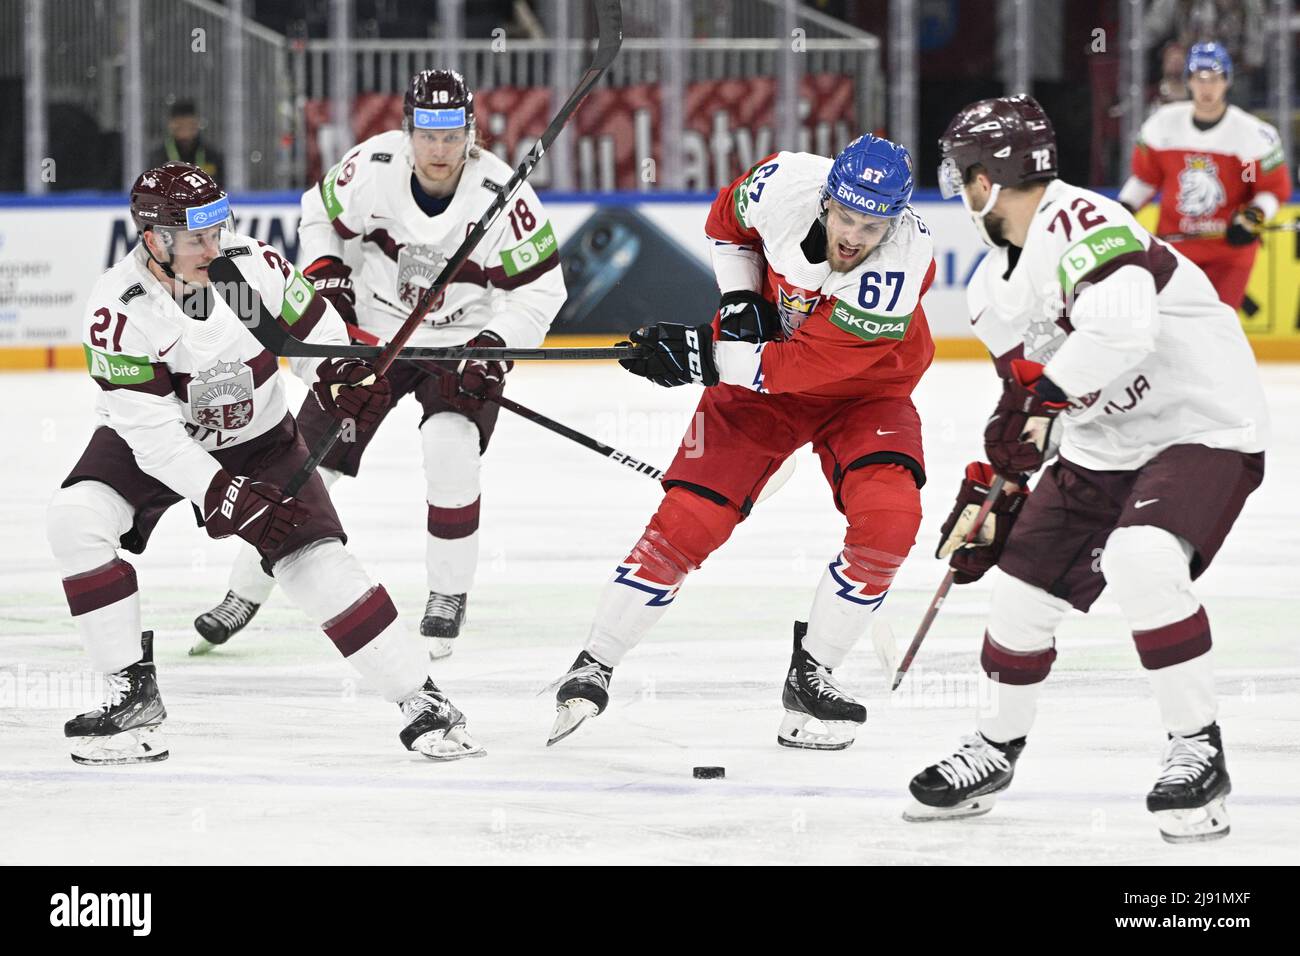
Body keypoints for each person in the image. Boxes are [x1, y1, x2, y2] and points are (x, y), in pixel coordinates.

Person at [910, 95, 1268, 843]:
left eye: (963, 172)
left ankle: (1196, 747)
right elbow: (1030, 399)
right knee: (1017, 589)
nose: (959, 187)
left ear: (990, 175)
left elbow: (1124, 328)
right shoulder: (986, 288)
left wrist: (1042, 398)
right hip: (1103, 445)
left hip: (1199, 424)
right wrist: (1000, 477)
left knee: (1143, 558)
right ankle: (995, 747)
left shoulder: (1084, 221)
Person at [47, 162, 483, 764]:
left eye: (215, 230)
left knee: (314, 563)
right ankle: (132, 696)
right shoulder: (119, 309)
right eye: (194, 237)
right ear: (154, 238)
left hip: (261, 441)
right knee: (75, 519)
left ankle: (421, 699)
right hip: (151, 444)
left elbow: (316, 345)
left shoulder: (251, 269)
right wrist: (224, 495)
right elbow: (157, 441)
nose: (211, 247)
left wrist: (341, 378)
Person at [546, 134, 935, 749]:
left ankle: (814, 674)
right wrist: (736, 301)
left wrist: (704, 356)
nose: (856, 236)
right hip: (758, 380)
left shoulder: (903, 265)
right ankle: (593, 662)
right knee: (686, 522)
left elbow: (801, 368)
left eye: (874, 224)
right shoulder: (783, 184)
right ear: (827, 199)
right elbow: (726, 224)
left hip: (866, 391)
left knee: (890, 520)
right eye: (847, 216)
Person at [193, 70, 566, 658]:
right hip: (370, 340)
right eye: (427, 135)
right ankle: (243, 591)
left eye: (452, 137)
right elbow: (318, 213)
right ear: (407, 131)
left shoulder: (504, 194)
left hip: (459, 345)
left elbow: (542, 292)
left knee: (450, 448)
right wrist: (325, 274)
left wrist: (492, 346)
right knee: (307, 465)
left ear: (471, 134)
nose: (439, 151)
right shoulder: (371, 167)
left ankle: (447, 594)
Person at [1118, 42, 1291, 309]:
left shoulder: (1251, 134)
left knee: (1216, 329)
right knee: (1168, 328)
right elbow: (1146, 178)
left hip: (1228, 253)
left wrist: (1252, 217)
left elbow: (1268, 190)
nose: (1206, 87)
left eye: (1214, 78)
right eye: (1199, 78)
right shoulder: (1162, 125)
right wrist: (1123, 209)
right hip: (1173, 249)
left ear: (1227, 81)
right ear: (1189, 80)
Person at [149, 101, 225, 184]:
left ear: (197, 124)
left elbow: (219, 188)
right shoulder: (158, 157)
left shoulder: (212, 155)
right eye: (180, 125)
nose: (185, 131)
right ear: (171, 125)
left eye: (189, 125)